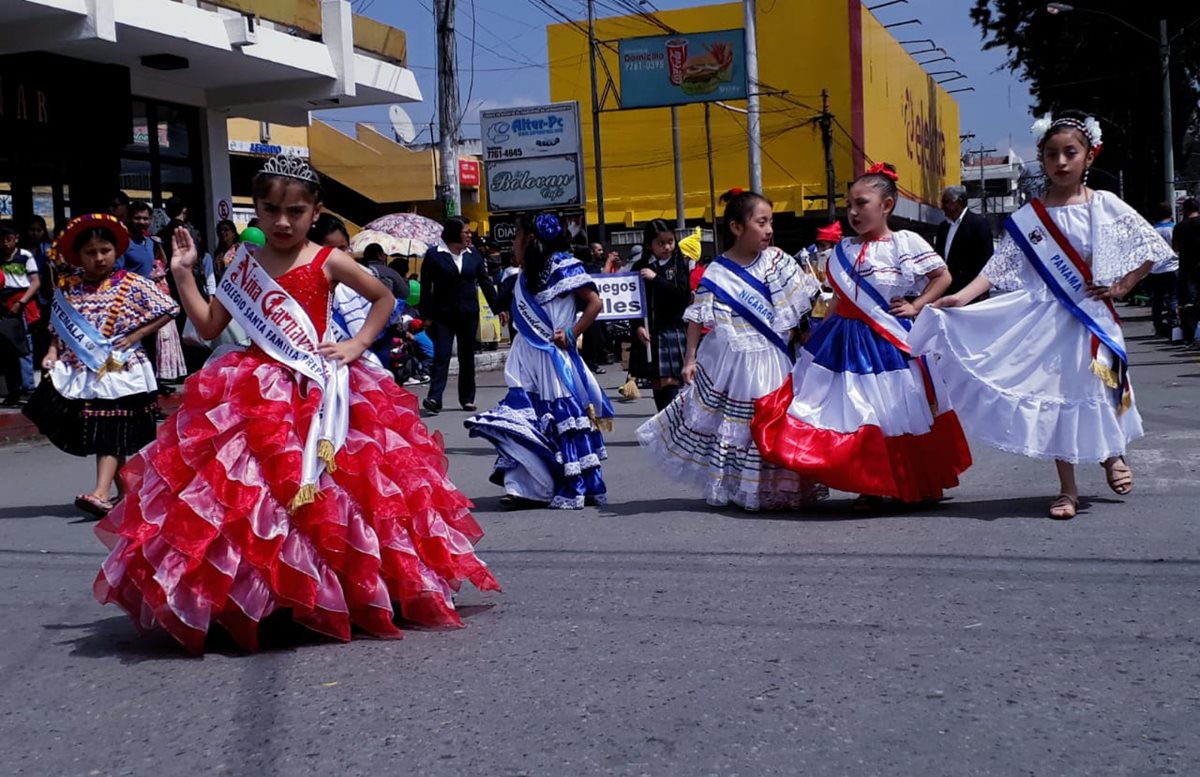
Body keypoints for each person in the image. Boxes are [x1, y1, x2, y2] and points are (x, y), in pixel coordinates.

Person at [92, 154, 499, 653]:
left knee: (339, 493)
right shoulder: (243, 264)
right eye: (269, 210)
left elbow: (384, 299)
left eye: (296, 211)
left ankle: (337, 593)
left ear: (316, 209)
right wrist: (182, 274)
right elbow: (208, 327)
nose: (282, 222)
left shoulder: (329, 260)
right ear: (256, 211)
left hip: (320, 388)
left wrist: (356, 346)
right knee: (246, 498)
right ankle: (262, 598)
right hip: (251, 387)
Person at [910, 111, 1176, 519]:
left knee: (1107, 389)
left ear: (1090, 156)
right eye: (1052, 154)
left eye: (1071, 152)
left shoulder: (1103, 204)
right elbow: (997, 269)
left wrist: (1123, 286)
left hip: (1093, 318)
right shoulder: (1029, 217)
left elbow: (1152, 248)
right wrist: (961, 298)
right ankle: (1067, 489)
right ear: (1042, 159)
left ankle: (1112, 454)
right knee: (1057, 399)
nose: (1061, 162)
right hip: (1047, 324)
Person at [752, 163, 972, 509]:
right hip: (846, 341)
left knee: (897, 412)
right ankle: (869, 484)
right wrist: (820, 332)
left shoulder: (905, 242)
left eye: (862, 203)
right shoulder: (844, 249)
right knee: (856, 411)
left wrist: (917, 306)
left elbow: (941, 276)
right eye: (850, 205)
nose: (853, 212)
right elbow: (842, 296)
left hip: (890, 341)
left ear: (887, 205)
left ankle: (909, 480)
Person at [636, 189, 826, 511]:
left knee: (776, 419)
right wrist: (690, 358)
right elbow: (698, 317)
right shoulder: (718, 272)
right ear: (737, 227)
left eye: (770, 223)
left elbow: (802, 304)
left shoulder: (777, 261)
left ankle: (783, 487)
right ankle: (746, 488)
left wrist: (800, 336)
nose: (768, 230)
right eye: (761, 222)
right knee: (742, 427)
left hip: (774, 357)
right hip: (736, 361)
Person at [22, 214, 177, 516]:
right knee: (107, 429)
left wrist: (138, 333)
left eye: (104, 250)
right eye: (91, 253)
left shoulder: (132, 283)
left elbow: (169, 308)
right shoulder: (70, 289)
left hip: (123, 369)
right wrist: (52, 352)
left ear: (115, 251)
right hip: (86, 370)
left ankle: (100, 492)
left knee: (109, 429)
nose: (99, 258)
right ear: (79, 256)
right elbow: (58, 327)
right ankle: (128, 496)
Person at [465, 213, 614, 509]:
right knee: (524, 414)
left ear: (530, 239)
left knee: (558, 417)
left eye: (517, 237)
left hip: (552, 355)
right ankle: (526, 485)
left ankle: (567, 481)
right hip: (525, 351)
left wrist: (572, 333)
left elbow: (595, 302)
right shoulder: (522, 274)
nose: (513, 244)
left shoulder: (564, 264)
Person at [419, 216, 499, 413]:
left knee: (467, 356)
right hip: (443, 315)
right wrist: (426, 315)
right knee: (442, 355)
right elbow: (426, 287)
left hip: (469, 313)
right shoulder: (434, 255)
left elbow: (485, 283)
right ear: (455, 233)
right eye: (466, 232)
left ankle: (467, 398)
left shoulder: (473, 255)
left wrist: (498, 308)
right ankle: (434, 398)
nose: (469, 235)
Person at [630, 219, 691, 411]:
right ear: (649, 244)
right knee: (657, 383)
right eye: (661, 243)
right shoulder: (638, 267)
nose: (667, 247)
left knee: (671, 381)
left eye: (671, 242)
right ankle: (663, 424)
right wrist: (637, 325)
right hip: (650, 331)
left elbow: (683, 295)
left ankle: (673, 425)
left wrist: (656, 279)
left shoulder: (678, 263)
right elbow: (631, 301)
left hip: (672, 329)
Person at [1, 220, 41, 405]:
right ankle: (13, 390)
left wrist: (21, 302)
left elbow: (35, 282)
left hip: (22, 304)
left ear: (16, 239)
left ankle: (28, 387)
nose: (5, 244)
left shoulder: (25, 256)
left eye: (9, 239)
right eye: (2, 240)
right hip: (3, 304)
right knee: (7, 349)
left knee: (24, 346)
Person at [935, 185, 994, 297]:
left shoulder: (978, 224)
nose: (942, 206)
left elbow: (987, 260)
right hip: (946, 291)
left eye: (946, 202)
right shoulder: (943, 227)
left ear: (959, 201)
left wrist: (981, 290)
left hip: (970, 292)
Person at [1147, 203, 1179, 339]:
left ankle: (1158, 326)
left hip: (1155, 269)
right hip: (1173, 267)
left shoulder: (1151, 230)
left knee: (1157, 299)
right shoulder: (1174, 229)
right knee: (1173, 297)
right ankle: (1175, 325)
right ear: (1171, 213)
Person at [1173, 198, 1200, 348]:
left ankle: (1189, 335)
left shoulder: (1180, 227)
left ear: (1185, 210)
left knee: (1188, 302)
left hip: (1187, 268)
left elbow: (1175, 247)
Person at [116, 202, 158, 278]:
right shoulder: (123, 244)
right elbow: (117, 275)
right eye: (137, 218)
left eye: (145, 219)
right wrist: (148, 278)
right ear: (129, 219)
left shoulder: (150, 242)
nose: (141, 222)